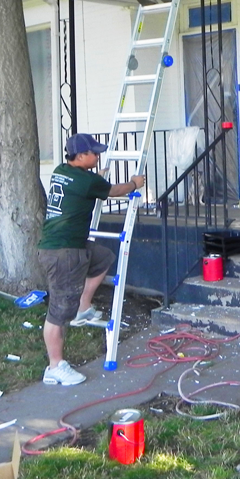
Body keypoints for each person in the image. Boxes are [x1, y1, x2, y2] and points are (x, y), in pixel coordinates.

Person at [38, 133, 145, 386]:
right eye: (94, 153)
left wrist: (97, 175)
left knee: (103, 257)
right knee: (59, 312)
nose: (97, 156)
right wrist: (134, 184)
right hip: (63, 252)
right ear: (81, 156)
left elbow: (90, 184)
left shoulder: (62, 171)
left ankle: (83, 307)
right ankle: (55, 367)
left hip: (69, 245)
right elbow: (113, 191)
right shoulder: (86, 180)